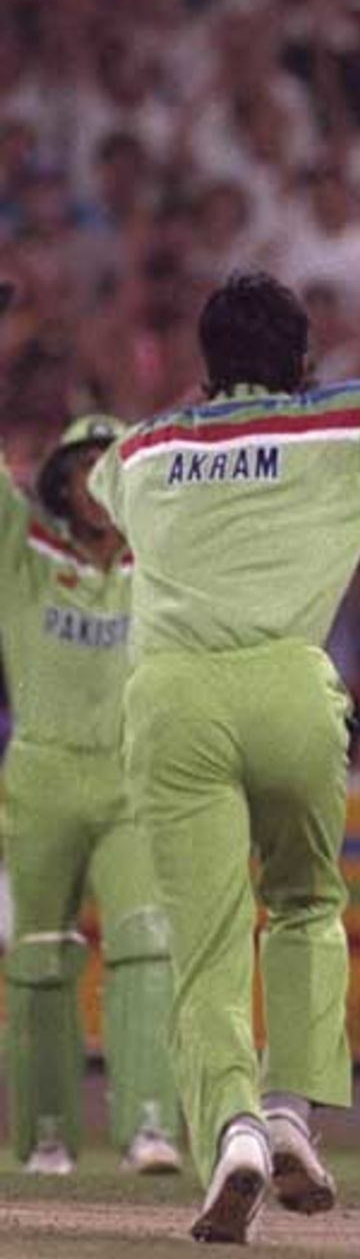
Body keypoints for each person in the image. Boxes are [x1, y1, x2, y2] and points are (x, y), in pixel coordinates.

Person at [87, 205, 360, 1243]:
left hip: (174, 694)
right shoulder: (344, 420)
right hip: (289, 687)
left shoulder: (139, 451)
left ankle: (229, 1127)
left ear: (204, 366)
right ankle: (290, 1112)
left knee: (204, 949)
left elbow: (100, 509)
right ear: (305, 356)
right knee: (308, 906)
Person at [0, 318, 181, 1178]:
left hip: (132, 777)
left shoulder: (165, 563)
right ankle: (44, 1138)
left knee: (146, 941)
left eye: (115, 469)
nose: (99, 485)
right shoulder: (22, 556)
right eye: (84, 472)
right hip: (39, 775)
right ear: (61, 487)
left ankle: (149, 1122)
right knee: (37, 958)